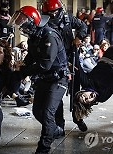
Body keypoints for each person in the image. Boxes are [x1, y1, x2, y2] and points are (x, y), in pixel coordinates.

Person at [8, 6, 69, 154]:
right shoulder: (35, 36)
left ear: (32, 21)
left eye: (23, 22)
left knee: (48, 113)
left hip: (58, 79)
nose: (21, 25)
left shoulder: (49, 36)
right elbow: (32, 56)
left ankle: (43, 148)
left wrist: (24, 72)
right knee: (37, 111)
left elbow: (45, 64)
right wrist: (22, 64)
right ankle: (56, 130)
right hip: (45, 78)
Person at [42, 0, 88, 132]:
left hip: (71, 55)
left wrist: (79, 37)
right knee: (56, 92)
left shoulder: (68, 18)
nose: (53, 14)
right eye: (50, 12)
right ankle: (59, 125)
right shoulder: (45, 23)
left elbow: (83, 26)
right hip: (56, 60)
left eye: (55, 11)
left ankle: (78, 117)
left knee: (76, 90)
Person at [73, 46, 113, 123]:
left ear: (82, 91)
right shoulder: (102, 97)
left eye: (84, 97)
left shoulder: (86, 83)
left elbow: (78, 69)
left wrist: (75, 48)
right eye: (87, 101)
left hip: (108, 58)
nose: (88, 98)